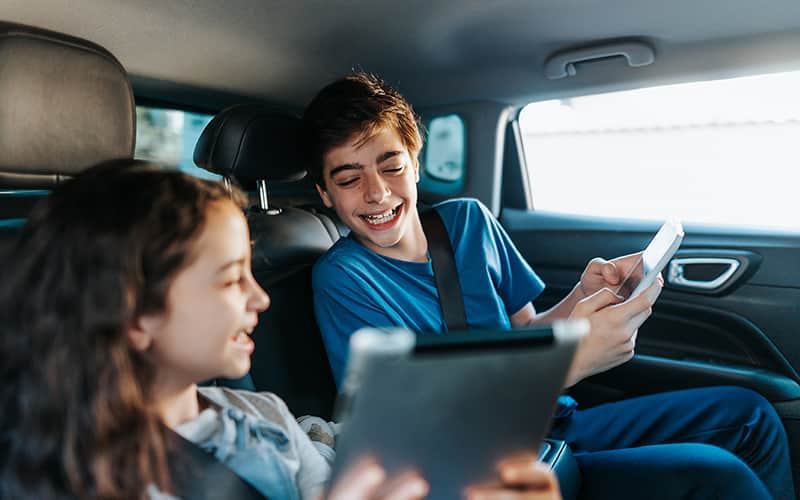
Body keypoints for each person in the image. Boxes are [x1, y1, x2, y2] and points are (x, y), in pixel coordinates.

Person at [303, 72, 796, 499]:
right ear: (325, 193)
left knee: (751, 417)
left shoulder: (468, 222)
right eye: (349, 179)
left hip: (558, 420)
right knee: (717, 477)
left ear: (415, 161)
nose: (377, 192)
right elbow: (414, 431)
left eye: (391, 165)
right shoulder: (343, 280)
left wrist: (582, 295)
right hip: (495, 461)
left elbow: (529, 330)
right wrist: (574, 361)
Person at [0, 160, 562, 500]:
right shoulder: (80, 477)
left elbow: (332, 485)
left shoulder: (261, 416)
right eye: (229, 281)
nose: (260, 297)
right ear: (133, 314)